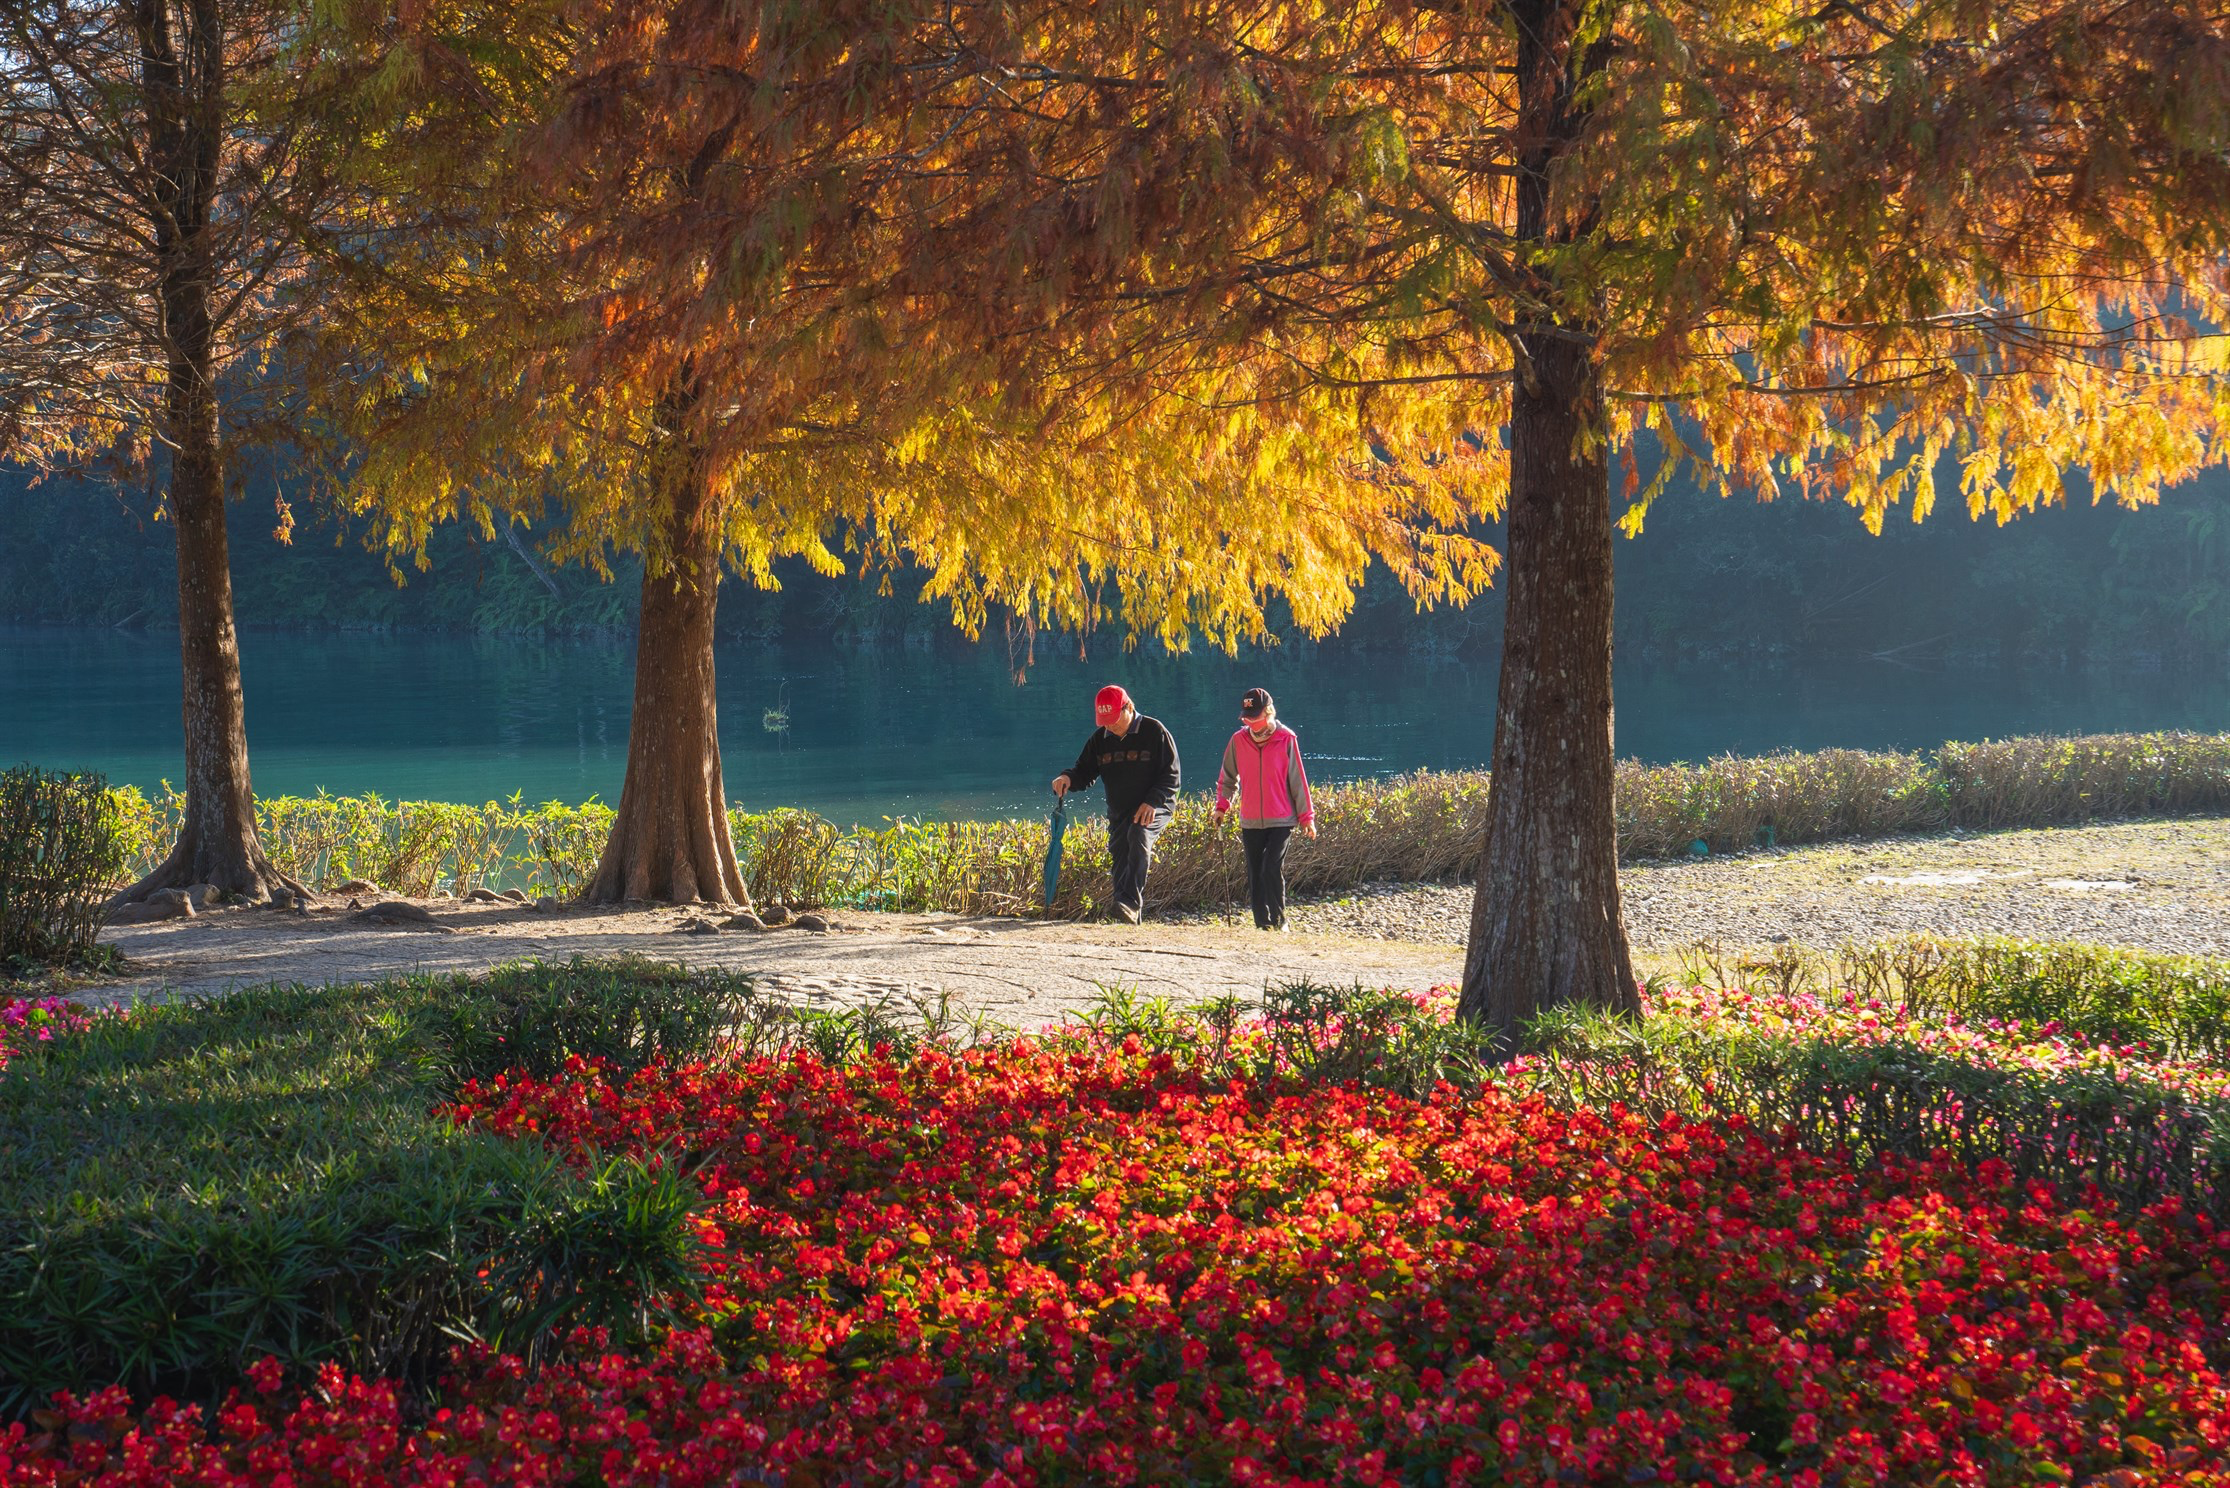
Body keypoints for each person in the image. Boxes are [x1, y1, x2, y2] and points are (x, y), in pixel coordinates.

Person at [1051, 684, 1180, 923]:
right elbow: (1084, 771)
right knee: (1120, 854)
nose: (1109, 725)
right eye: (1104, 720)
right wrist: (1067, 778)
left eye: (1113, 719)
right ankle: (1126, 917)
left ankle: (1129, 903)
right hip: (1120, 809)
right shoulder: (1100, 739)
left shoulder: (1155, 731)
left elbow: (1171, 776)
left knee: (1138, 834)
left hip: (1156, 804)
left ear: (1128, 707)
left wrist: (1152, 802)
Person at [1213, 687, 1316, 930]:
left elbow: (1298, 781)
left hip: (1282, 819)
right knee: (1255, 871)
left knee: (1271, 866)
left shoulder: (1286, 739)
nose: (1250, 722)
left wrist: (1307, 817)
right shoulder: (1238, 740)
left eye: (1255, 717)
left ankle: (1280, 920)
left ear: (1268, 713)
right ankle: (1262, 924)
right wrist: (1221, 807)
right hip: (1250, 820)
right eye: (1247, 717)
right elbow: (1227, 779)